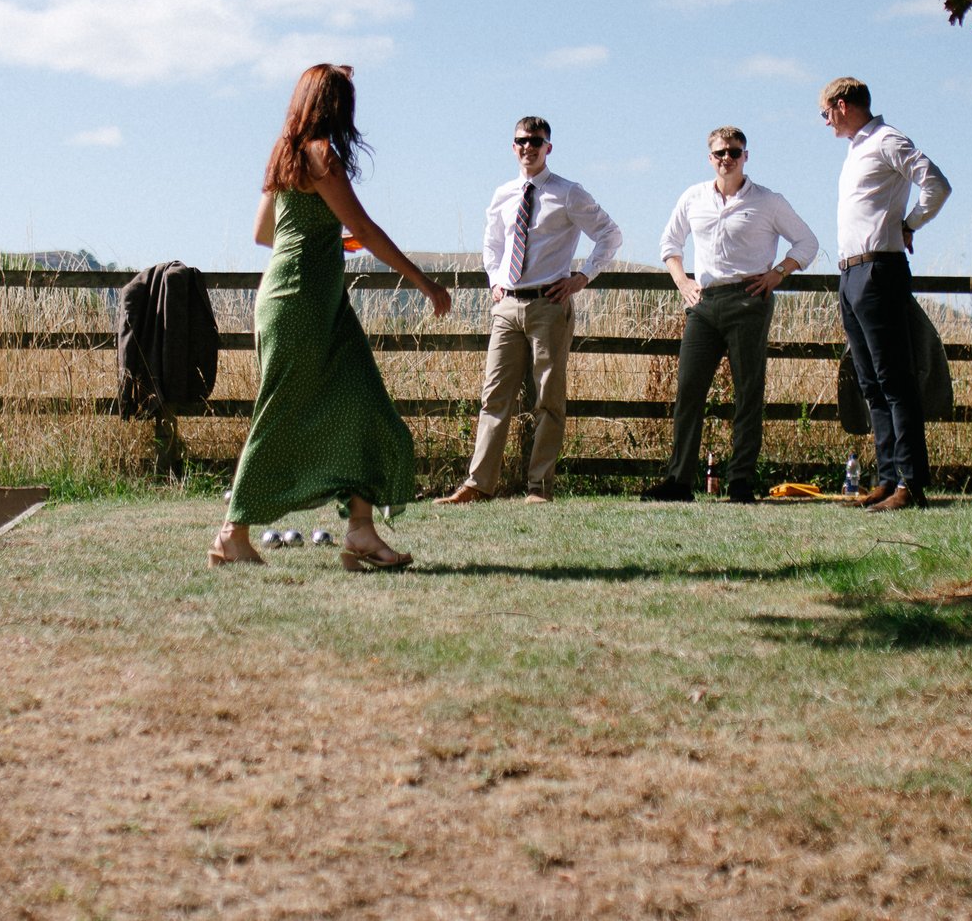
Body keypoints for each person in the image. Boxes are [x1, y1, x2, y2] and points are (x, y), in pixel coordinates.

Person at [212, 63, 452, 571]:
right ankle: (232, 533)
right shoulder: (322, 155)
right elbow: (362, 226)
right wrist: (425, 282)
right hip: (300, 300)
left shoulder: (285, 157)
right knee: (280, 412)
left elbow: (264, 234)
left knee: (363, 402)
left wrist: (322, 236)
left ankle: (361, 531)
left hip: (311, 299)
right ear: (334, 106)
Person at [438, 116, 623, 505]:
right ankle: (478, 485)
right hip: (507, 307)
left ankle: (539, 487)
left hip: (549, 305)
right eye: (522, 141)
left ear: (548, 147)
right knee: (494, 397)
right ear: (513, 146)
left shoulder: (568, 193)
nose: (529, 147)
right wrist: (495, 281)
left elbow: (610, 234)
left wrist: (582, 277)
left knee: (548, 399)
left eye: (537, 141)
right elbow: (492, 246)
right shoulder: (503, 194)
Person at [642, 126, 819, 504]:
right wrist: (682, 281)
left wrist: (778, 273)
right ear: (710, 158)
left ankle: (740, 482)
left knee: (747, 393)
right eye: (720, 153)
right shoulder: (693, 197)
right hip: (704, 304)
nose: (727, 159)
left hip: (748, 300)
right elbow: (669, 243)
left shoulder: (769, 201)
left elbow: (807, 242)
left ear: (746, 156)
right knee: (689, 391)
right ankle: (679, 482)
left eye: (734, 152)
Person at [820, 76, 952, 512]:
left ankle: (911, 484)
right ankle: (887, 478)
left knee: (895, 380)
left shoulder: (887, 139)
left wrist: (911, 224)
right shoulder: (855, 148)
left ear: (842, 104)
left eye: (825, 113)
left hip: (880, 270)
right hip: (850, 274)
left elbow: (936, 182)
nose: (825, 122)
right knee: (871, 384)